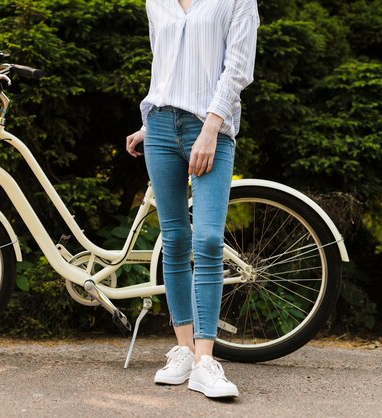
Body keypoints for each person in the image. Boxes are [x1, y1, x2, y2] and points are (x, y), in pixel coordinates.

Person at [126, 0, 259, 398]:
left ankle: (205, 362)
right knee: (175, 239)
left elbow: (237, 69)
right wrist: (149, 125)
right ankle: (183, 351)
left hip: (211, 128)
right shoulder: (157, 1)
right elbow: (163, 66)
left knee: (207, 240)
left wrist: (211, 128)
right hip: (161, 126)